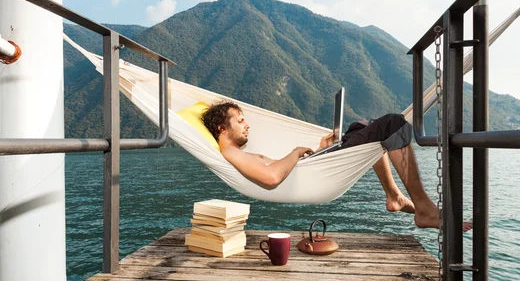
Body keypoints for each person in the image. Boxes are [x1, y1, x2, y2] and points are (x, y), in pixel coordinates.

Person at [202, 101, 472, 232]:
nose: (247, 125)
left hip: (314, 169)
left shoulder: (240, 153)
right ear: (222, 128)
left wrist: (320, 151)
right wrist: (297, 152)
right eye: (240, 120)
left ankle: (394, 196)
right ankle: (424, 210)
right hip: (312, 177)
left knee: (361, 127)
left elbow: (281, 170)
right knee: (392, 124)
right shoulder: (232, 155)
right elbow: (272, 177)